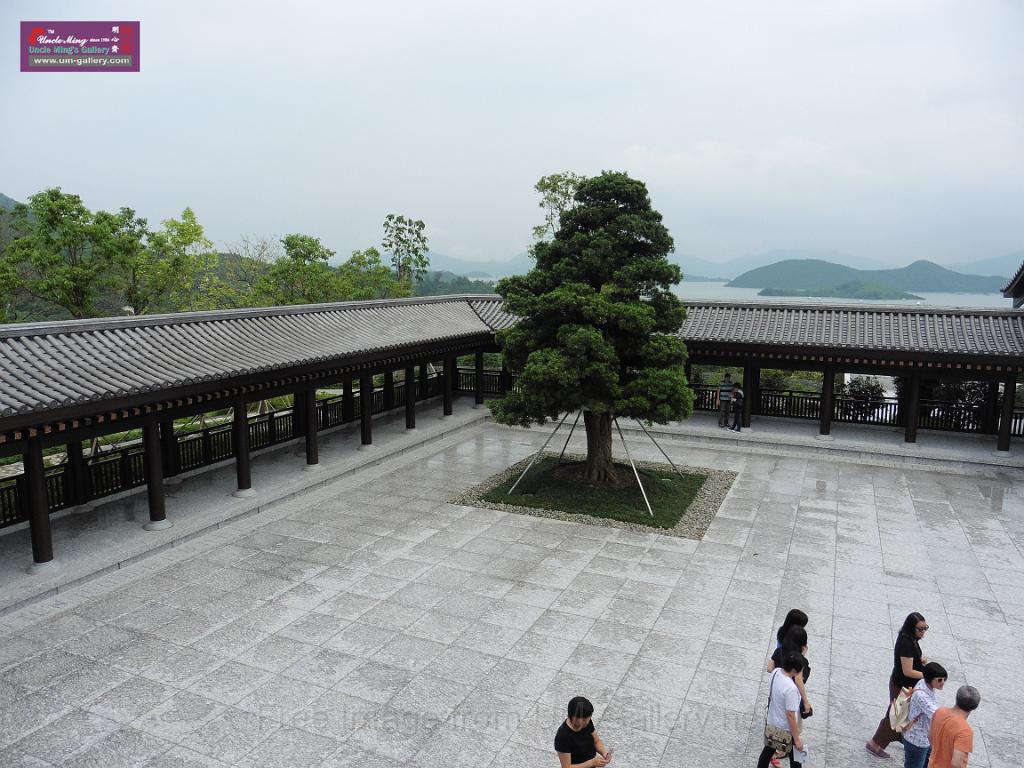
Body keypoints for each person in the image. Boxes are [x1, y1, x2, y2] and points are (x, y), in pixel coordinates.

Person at [867, 612, 930, 759]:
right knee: (895, 717)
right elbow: (907, 671)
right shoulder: (906, 644)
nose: (923, 632)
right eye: (920, 629)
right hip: (902, 686)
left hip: (905, 686)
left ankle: (902, 738)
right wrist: (927, 675)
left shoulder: (911, 639)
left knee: (900, 716)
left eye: (925, 628)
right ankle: (875, 744)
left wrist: (920, 661)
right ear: (911, 628)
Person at [757, 651, 806, 768]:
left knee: (767, 753)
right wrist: (797, 739)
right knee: (796, 760)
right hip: (785, 729)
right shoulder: (791, 688)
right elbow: (790, 715)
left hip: (772, 723)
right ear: (795, 670)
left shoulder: (775, 672)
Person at [902, 662, 947, 768]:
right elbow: (937, 715)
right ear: (929, 678)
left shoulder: (924, 682)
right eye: (939, 680)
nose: (943, 682)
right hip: (917, 740)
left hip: (924, 737)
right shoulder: (922, 696)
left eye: (944, 679)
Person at [928, 685, 980, 768]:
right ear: (975, 706)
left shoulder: (939, 712)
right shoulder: (964, 731)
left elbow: (930, 737)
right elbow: (956, 764)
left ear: (957, 698)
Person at [767, 626, 813, 719]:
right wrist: (805, 701)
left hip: (777, 691)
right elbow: (798, 680)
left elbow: (769, 668)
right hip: (790, 695)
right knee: (792, 720)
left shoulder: (779, 651)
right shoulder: (801, 662)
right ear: (803, 645)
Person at [554, 696, 612, 768]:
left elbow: (596, 741)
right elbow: (566, 767)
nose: (587, 722)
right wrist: (591, 763)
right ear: (573, 717)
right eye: (584, 719)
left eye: (589, 718)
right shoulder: (562, 736)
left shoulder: (586, 723)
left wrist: (604, 753)